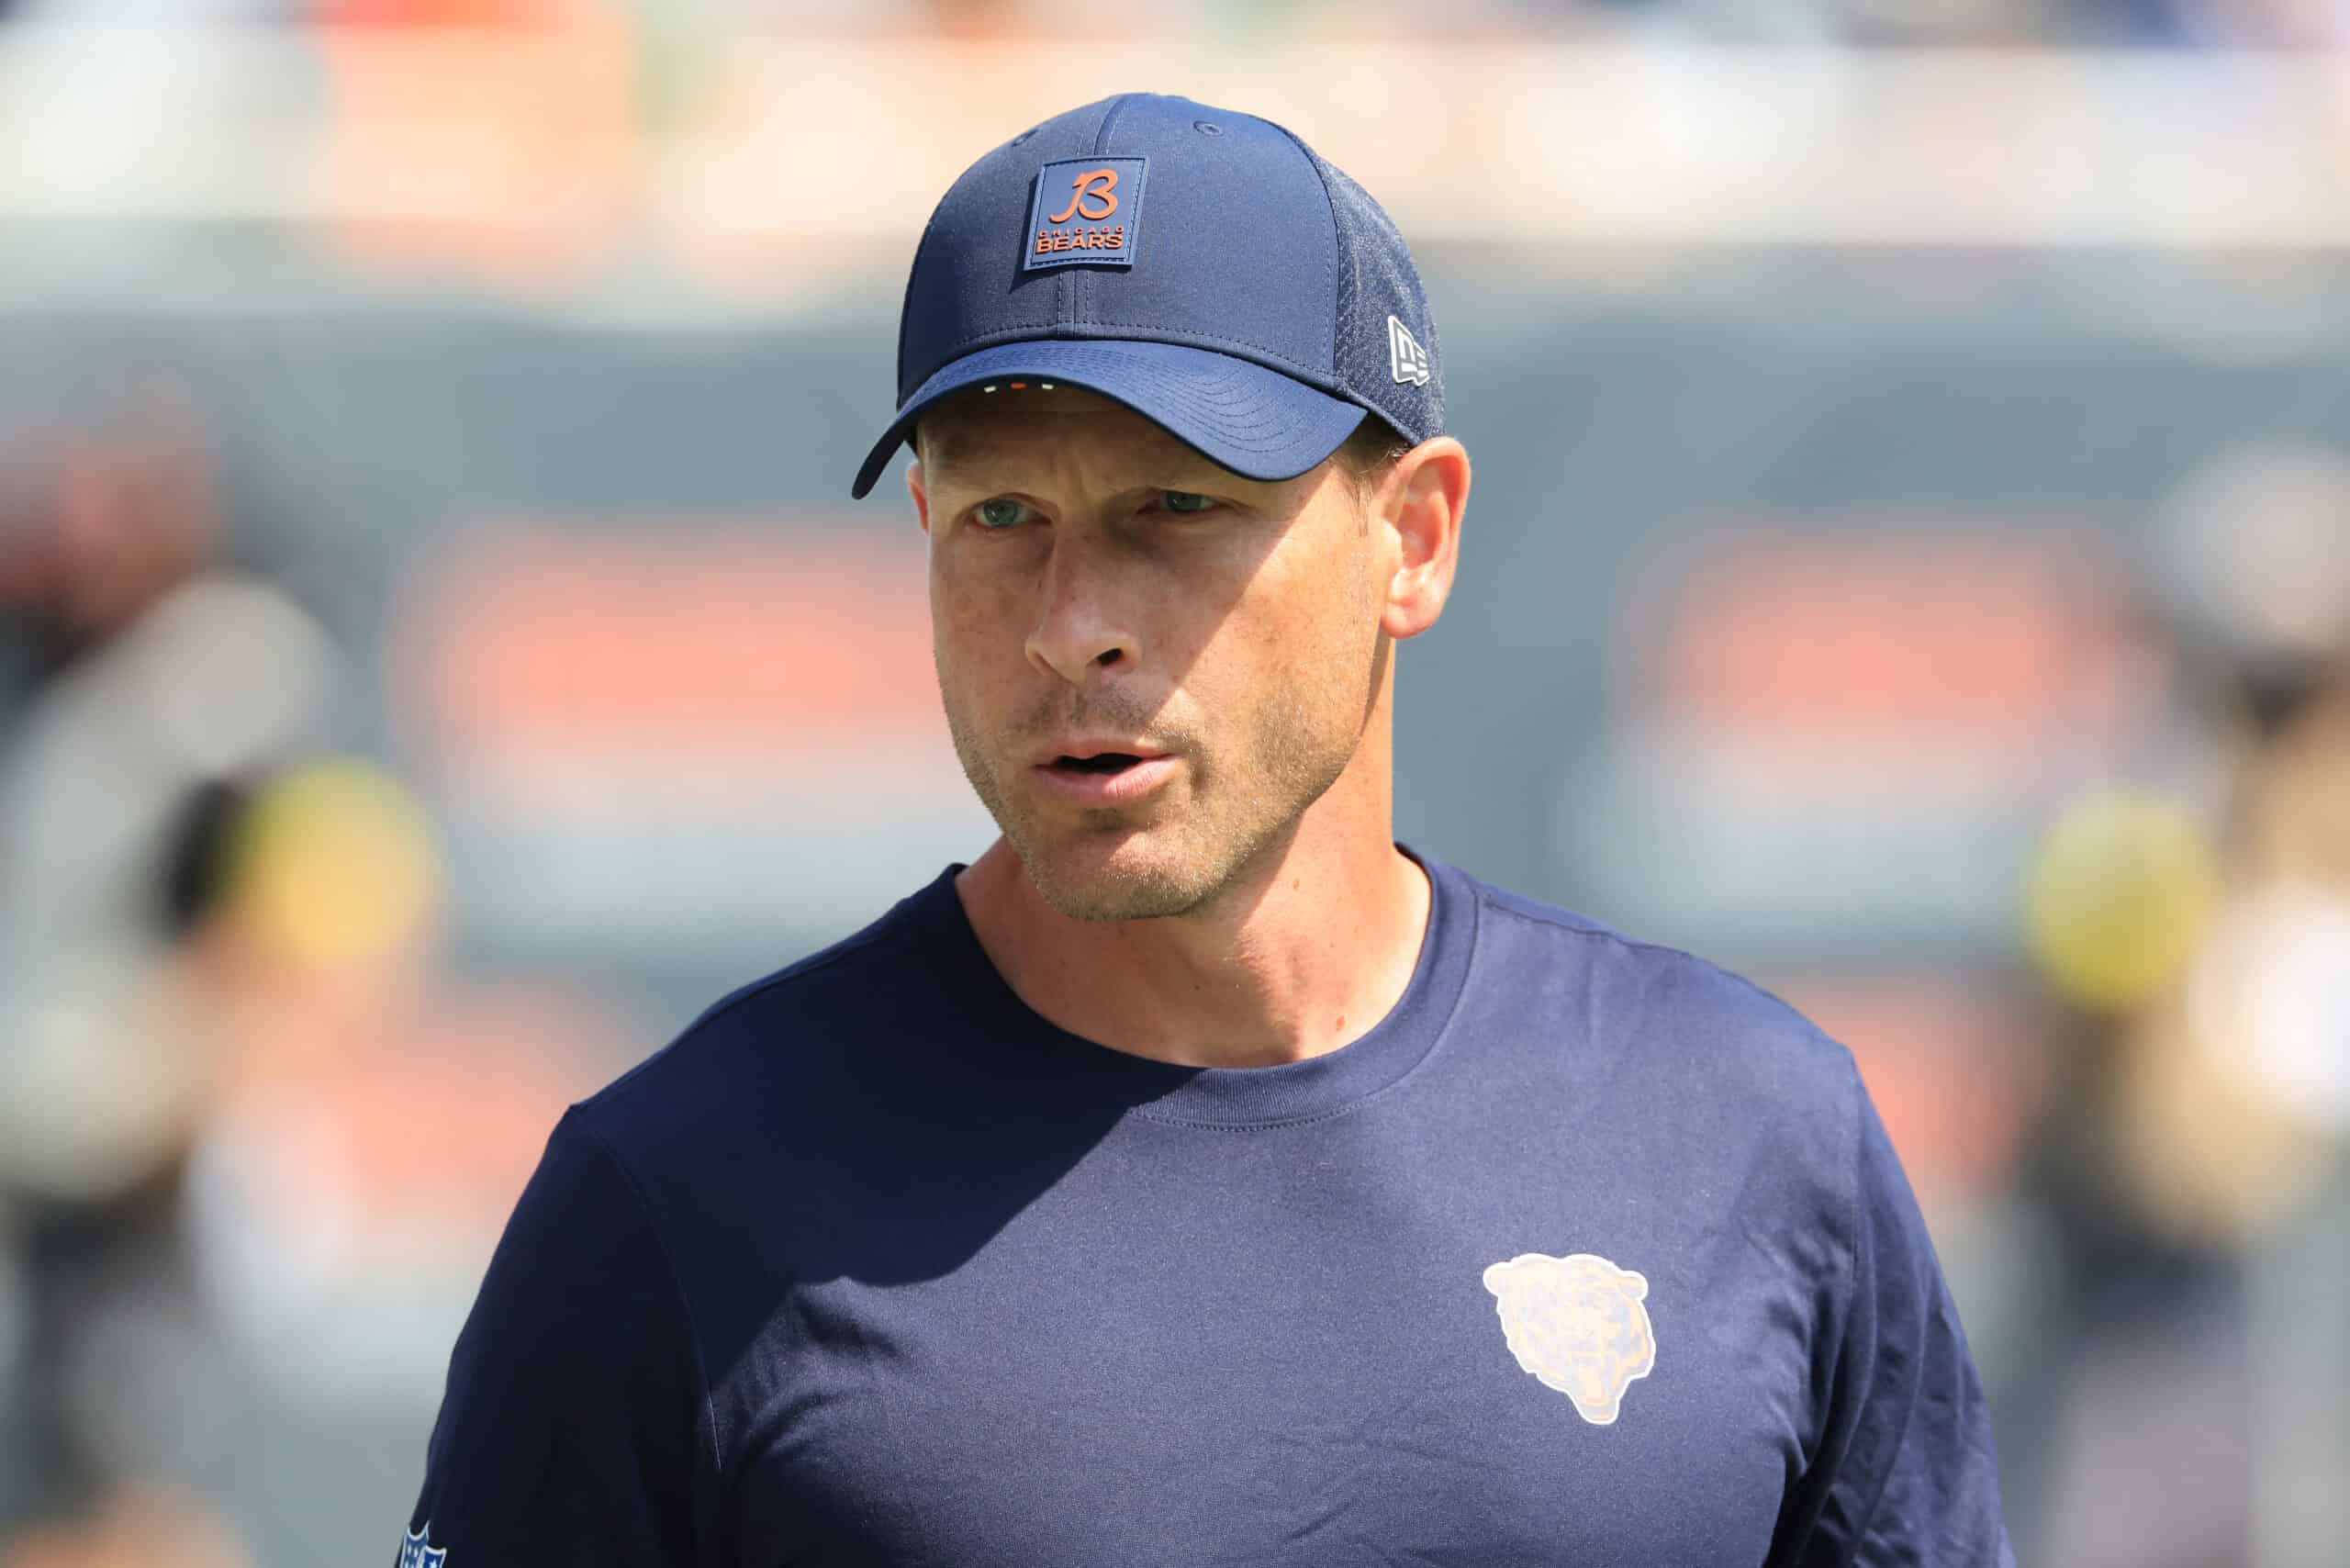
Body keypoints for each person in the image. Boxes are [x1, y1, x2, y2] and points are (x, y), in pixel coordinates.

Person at [401, 93, 2013, 1566]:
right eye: (1000, 519)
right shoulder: (678, 1196)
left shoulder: (1745, 1128)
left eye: (1177, 507)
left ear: (1416, 536)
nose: (1070, 625)